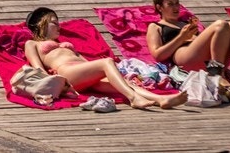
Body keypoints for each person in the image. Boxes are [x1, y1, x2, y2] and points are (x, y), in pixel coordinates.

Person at [23, 7, 187, 110]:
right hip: (67, 74)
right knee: (107, 62)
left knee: (124, 83)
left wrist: (104, 73)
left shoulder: (64, 43)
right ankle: (133, 99)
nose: (59, 26)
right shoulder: (33, 44)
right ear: (40, 25)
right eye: (53, 22)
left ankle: (161, 99)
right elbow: (38, 68)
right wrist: (58, 85)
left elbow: (86, 63)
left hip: (83, 73)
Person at [146, 0, 230, 76]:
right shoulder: (155, 26)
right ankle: (217, 75)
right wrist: (181, 38)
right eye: (170, 4)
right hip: (184, 58)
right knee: (221, 25)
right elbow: (157, 55)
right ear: (159, 8)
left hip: (208, 58)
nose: (176, 7)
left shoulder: (186, 23)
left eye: (177, 3)